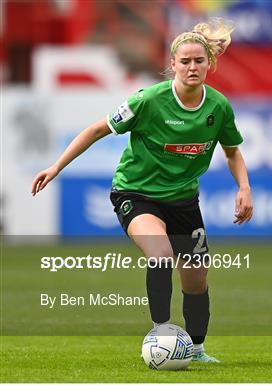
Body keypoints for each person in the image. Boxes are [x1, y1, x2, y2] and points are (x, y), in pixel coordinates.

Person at [31, 18, 253, 363]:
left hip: (182, 200)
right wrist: (56, 166)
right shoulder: (148, 100)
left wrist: (244, 187)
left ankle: (196, 348)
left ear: (210, 63)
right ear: (173, 64)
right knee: (161, 254)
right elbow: (96, 129)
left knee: (196, 280)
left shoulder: (219, 107)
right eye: (185, 61)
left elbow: (232, 151)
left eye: (199, 61)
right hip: (136, 193)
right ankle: (162, 334)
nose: (192, 67)